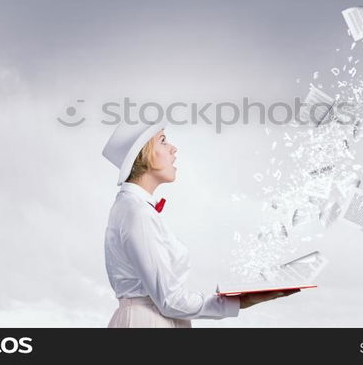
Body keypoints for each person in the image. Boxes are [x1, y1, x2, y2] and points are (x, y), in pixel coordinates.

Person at [102, 121, 299, 327]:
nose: (173, 148)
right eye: (163, 141)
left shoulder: (133, 208)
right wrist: (239, 301)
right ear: (143, 155)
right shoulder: (137, 212)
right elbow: (171, 301)